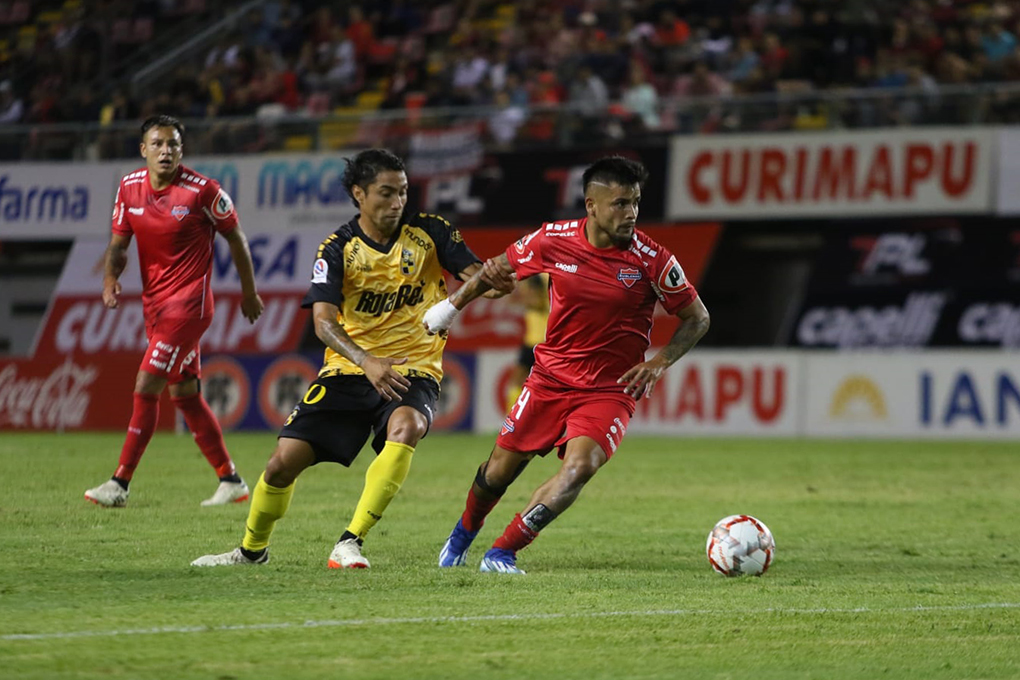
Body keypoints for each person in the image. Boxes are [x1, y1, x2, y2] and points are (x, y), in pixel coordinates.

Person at [191, 149, 507, 569]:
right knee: (281, 463)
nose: (397, 202)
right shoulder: (337, 248)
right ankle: (251, 551)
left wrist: (493, 280)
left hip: (413, 369)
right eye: (386, 193)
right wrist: (367, 361)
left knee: (407, 425)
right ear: (359, 194)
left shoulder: (430, 232)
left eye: (404, 192)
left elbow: (479, 278)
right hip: (349, 369)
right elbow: (323, 323)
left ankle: (350, 541)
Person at [425, 156, 711, 574]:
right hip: (549, 380)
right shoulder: (551, 240)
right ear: (590, 205)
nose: (630, 213)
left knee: (580, 468)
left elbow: (698, 317)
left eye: (634, 202)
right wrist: (451, 308)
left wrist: (660, 362)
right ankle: (463, 533)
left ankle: (502, 551)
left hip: (611, 389)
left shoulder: (654, 259)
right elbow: (496, 269)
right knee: (497, 474)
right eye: (619, 203)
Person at [84, 114, 264, 508]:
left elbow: (236, 238)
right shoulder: (129, 187)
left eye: (173, 145)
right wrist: (109, 280)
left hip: (190, 307)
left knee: (146, 384)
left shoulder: (202, 191)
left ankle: (120, 484)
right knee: (184, 393)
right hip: (155, 306)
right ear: (143, 149)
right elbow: (119, 243)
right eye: (158, 144)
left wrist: (249, 293)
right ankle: (231, 480)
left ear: (182, 151)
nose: (166, 151)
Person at [504, 273, 549, 412]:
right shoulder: (529, 275)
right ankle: (511, 419)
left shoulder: (542, 276)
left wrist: (521, 300)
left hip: (540, 340)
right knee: (518, 380)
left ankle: (512, 420)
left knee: (519, 381)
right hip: (533, 339)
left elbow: (538, 303)